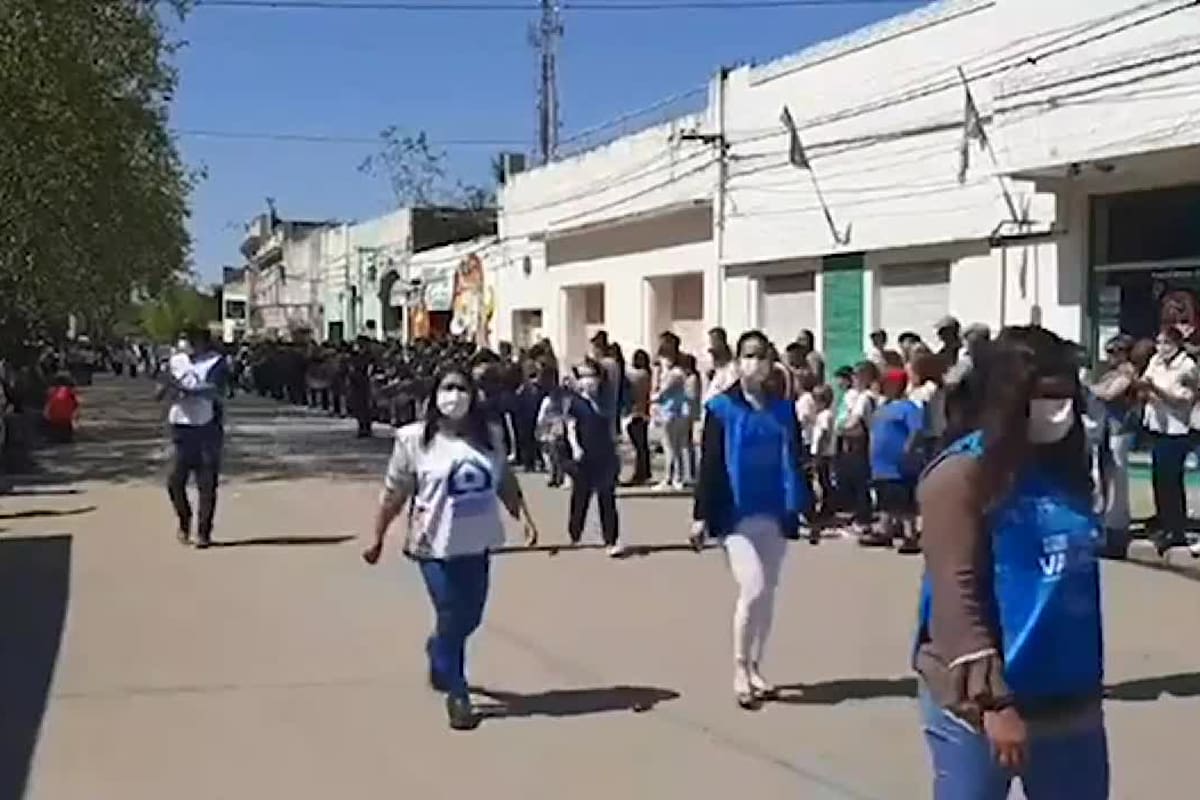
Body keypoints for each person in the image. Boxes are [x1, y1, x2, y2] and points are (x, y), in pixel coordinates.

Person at [915, 325, 1107, 799]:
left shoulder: (1064, 467)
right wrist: (993, 703)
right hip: (981, 710)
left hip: (1070, 700)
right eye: (1045, 396)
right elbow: (957, 595)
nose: (1059, 409)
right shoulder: (961, 475)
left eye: (1066, 395)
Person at [363, 366, 537, 731]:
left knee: (469, 617)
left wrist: (523, 516)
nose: (454, 396)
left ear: (473, 395)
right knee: (451, 612)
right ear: (434, 395)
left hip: (476, 542)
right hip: (433, 545)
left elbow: (503, 478)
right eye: (447, 388)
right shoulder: (413, 439)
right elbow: (395, 491)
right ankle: (458, 694)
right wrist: (378, 535)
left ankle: (438, 650)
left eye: (461, 388)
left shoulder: (489, 436)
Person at [691, 330, 809, 709]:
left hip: (773, 510)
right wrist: (700, 516)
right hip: (735, 514)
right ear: (738, 361)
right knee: (753, 587)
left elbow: (797, 459)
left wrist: (806, 507)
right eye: (748, 355)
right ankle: (739, 669)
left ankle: (757, 666)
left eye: (761, 356)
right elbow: (709, 465)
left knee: (768, 592)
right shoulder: (721, 409)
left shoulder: (783, 410)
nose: (754, 363)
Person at [158, 328, 227, 549]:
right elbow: (159, 391)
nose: (186, 345)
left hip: (207, 427)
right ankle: (184, 519)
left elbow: (215, 390)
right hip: (181, 427)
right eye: (184, 340)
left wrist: (189, 390)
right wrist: (167, 387)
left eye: (191, 340)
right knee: (174, 481)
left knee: (206, 483)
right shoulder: (175, 361)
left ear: (203, 343)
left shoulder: (216, 362)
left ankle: (204, 532)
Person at [1138, 325, 1197, 556]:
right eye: (1159, 343)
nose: (1161, 348)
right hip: (1157, 426)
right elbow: (1146, 382)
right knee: (1159, 479)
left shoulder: (1187, 366)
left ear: (1176, 344)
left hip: (1177, 428)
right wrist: (1146, 390)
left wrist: (1157, 390)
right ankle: (1163, 523)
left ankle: (1176, 529)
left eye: (1166, 343)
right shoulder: (1156, 361)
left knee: (1171, 480)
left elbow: (1184, 400)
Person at [564, 358, 625, 557]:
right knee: (581, 496)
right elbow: (570, 427)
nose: (589, 382)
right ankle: (575, 533)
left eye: (592, 377)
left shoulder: (606, 401)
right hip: (583, 455)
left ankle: (611, 539)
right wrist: (575, 449)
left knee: (607, 496)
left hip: (605, 453)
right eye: (584, 378)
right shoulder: (575, 403)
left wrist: (616, 449)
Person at [1088, 334, 1140, 559]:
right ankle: (1108, 525)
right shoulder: (1110, 373)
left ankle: (1117, 529)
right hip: (1106, 430)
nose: (1108, 356)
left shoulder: (1128, 372)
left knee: (1117, 479)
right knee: (1105, 478)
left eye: (1113, 352)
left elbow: (1109, 393)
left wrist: (1090, 387)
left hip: (1120, 430)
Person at [865, 368, 923, 552]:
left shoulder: (908, 407)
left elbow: (916, 430)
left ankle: (910, 535)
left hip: (898, 465)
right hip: (880, 465)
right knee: (885, 499)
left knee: (903, 501)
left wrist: (909, 449)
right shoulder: (883, 408)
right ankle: (885, 531)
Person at [837, 361, 878, 538]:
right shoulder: (873, 396)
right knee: (861, 481)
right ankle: (862, 518)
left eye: (856, 375)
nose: (853, 378)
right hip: (866, 439)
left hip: (859, 441)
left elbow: (855, 420)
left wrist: (841, 429)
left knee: (860, 482)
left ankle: (863, 521)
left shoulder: (864, 397)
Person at [653, 351, 691, 491]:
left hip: (669, 412)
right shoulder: (679, 373)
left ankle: (671, 478)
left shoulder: (673, 374)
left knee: (670, 448)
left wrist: (654, 397)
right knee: (676, 448)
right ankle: (677, 477)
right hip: (677, 412)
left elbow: (662, 392)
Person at [809, 383, 837, 541]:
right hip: (823, 453)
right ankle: (826, 507)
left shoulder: (825, 415)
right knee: (822, 480)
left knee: (822, 481)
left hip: (823, 454)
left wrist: (819, 451)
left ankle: (826, 509)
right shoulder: (824, 415)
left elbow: (823, 434)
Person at [624, 349, 653, 485]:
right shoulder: (646, 374)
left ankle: (641, 472)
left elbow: (631, 380)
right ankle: (644, 471)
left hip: (637, 412)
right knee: (641, 445)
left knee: (639, 446)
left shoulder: (641, 375)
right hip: (642, 412)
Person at [43, 372, 80, 443]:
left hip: (54, 420)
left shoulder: (52, 391)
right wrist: (74, 421)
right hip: (67, 420)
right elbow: (76, 405)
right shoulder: (70, 392)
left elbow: (47, 407)